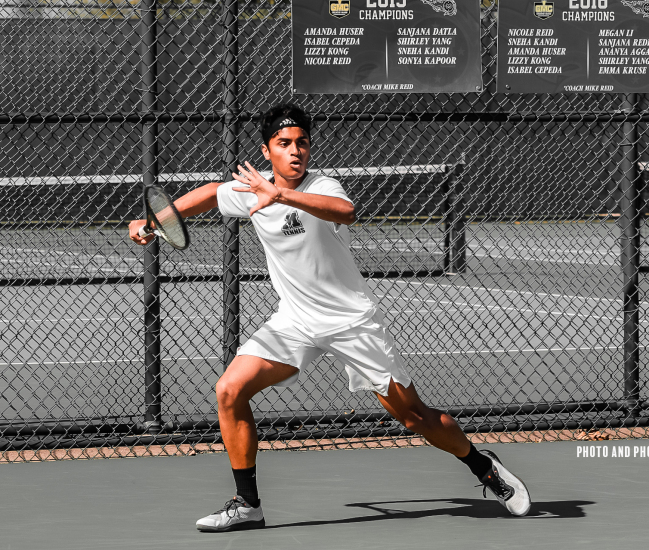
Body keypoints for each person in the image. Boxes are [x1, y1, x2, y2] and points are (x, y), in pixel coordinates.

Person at [128, 103, 531, 531]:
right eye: (284, 144)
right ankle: (248, 504)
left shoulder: (323, 186)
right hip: (296, 322)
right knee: (229, 390)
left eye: (302, 143)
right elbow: (211, 192)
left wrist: (279, 195)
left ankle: (481, 464)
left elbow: (344, 212)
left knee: (414, 417)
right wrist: (155, 221)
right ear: (267, 151)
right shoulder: (251, 189)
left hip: (352, 322)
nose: (295, 151)